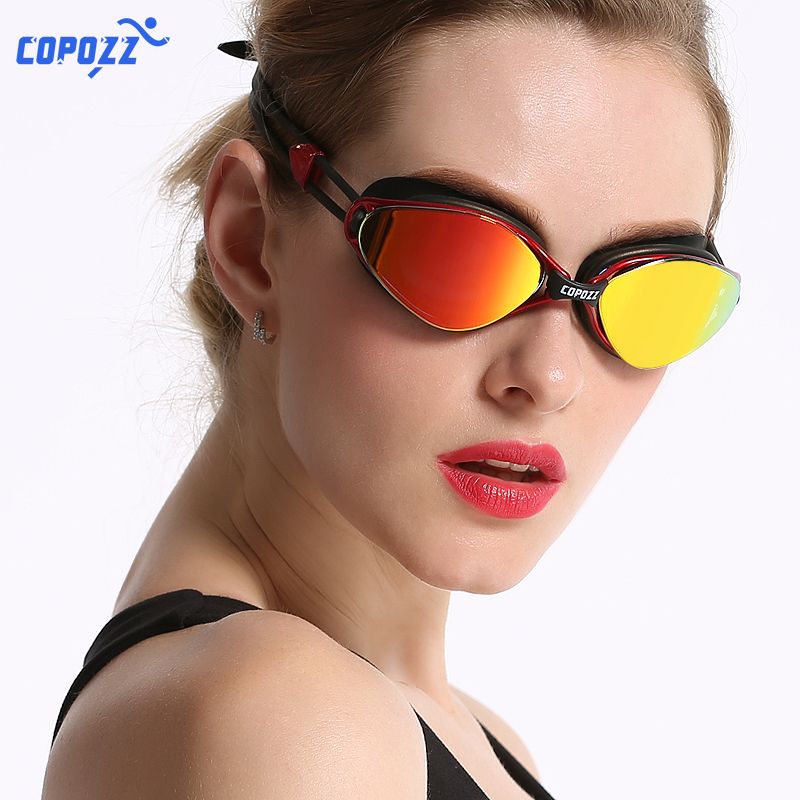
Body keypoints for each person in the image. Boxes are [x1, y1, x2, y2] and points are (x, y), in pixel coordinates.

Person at [42, 0, 740, 797]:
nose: (550, 378)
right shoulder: (292, 720)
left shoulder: (474, 741)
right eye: (459, 256)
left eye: (653, 294)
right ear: (249, 237)